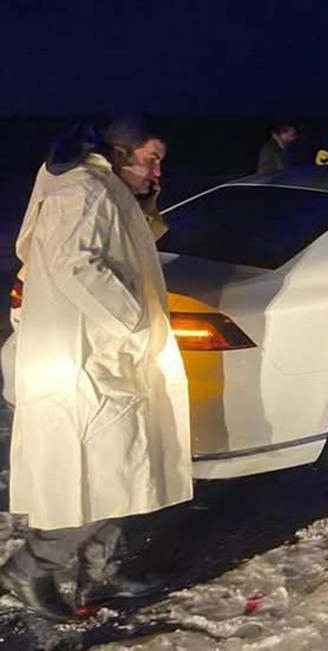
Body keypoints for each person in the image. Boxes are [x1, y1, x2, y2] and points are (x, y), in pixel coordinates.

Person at [0, 117, 193, 619]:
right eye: (151, 158)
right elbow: (74, 263)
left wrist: (145, 202)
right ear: (120, 152)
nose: (157, 169)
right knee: (92, 476)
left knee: (120, 471)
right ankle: (30, 567)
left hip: (102, 359)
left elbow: (111, 244)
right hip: (86, 363)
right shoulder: (84, 191)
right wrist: (134, 323)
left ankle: (99, 575)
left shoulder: (100, 187)